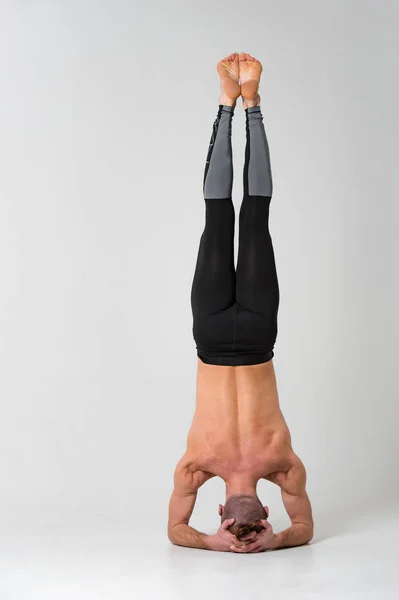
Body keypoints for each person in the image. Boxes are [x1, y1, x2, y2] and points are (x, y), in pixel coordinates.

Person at [168, 53, 314, 553]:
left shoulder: (195, 468)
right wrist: (274, 543)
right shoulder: (284, 466)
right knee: (254, 217)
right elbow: (307, 529)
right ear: (267, 513)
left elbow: (174, 531)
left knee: (216, 218)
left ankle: (225, 106)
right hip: (257, 334)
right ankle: (251, 105)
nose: (246, 528)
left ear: (220, 514)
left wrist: (211, 545)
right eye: (255, 527)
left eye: (238, 529)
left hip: (210, 335)